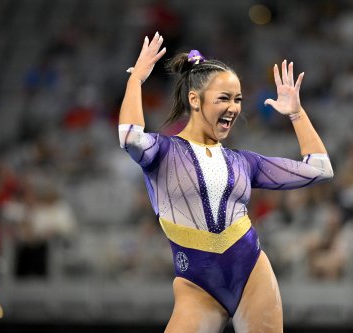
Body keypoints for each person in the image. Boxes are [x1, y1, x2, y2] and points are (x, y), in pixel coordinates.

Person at [118, 32, 334, 332]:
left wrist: (296, 113)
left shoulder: (244, 162)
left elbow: (320, 169)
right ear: (195, 100)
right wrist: (136, 80)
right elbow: (128, 136)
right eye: (224, 98)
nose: (233, 108)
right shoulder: (163, 152)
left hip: (252, 273)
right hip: (197, 287)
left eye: (238, 99)